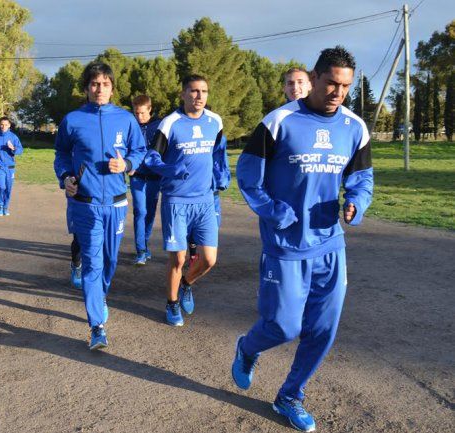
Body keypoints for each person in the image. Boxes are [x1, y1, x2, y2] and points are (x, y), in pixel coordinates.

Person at [231, 46, 373, 432]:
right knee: (283, 327)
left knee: (323, 331)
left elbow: (361, 180)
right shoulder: (279, 122)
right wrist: (275, 212)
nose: (337, 92)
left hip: (331, 246)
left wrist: (356, 205)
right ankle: (247, 347)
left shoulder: (355, 128)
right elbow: (248, 178)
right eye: (331, 83)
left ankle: (290, 395)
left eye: (345, 86)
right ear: (315, 77)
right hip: (286, 246)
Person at [54, 61, 146, 350]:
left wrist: (127, 164)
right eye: (94, 84)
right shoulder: (73, 120)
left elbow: (140, 150)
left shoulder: (126, 119)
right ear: (86, 88)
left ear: (112, 88)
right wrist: (66, 177)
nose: (100, 89)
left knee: (110, 261)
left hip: (117, 204)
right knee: (93, 263)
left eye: (105, 84)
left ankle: (100, 296)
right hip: (85, 204)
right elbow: (61, 153)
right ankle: (97, 326)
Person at [144, 75, 229, 327]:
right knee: (178, 260)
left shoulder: (215, 121)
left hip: (205, 201)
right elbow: (151, 159)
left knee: (209, 260)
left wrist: (221, 175)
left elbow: (219, 154)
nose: (199, 96)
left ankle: (187, 283)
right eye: (193, 91)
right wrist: (171, 170)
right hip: (176, 201)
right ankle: (171, 304)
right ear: (183, 94)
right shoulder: (170, 124)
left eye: (204, 91)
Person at [129, 94, 161, 266]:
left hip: (155, 178)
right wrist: (129, 163)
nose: (139, 117)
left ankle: (145, 243)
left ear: (150, 109)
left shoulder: (160, 125)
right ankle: (140, 250)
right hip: (138, 177)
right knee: (140, 211)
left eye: (142, 113)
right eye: (136, 113)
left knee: (149, 213)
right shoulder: (131, 125)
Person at [0, 117, 23, 216]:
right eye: (2, 124)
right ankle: (0, 206)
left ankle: (6, 207)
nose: (3, 126)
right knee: (1, 186)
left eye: (6, 124)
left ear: (9, 125)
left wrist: (13, 148)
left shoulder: (13, 137)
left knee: (8, 188)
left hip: (10, 167)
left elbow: (20, 150)